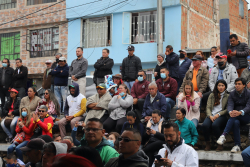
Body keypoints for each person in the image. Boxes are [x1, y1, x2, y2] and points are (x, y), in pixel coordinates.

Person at [217, 78, 250, 153]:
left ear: (244, 85)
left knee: (234, 117)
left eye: (239, 84)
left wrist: (240, 112)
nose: (237, 86)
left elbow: (248, 107)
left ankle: (223, 135)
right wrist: (230, 112)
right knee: (235, 122)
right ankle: (237, 145)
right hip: (235, 116)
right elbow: (230, 105)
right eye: (236, 84)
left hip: (246, 116)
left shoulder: (248, 93)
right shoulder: (232, 93)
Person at [202, 80, 229, 151]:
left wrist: (218, 114)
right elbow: (208, 107)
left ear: (225, 87)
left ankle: (219, 144)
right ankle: (208, 143)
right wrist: (210, 115)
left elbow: (227, 109)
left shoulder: (228, 96)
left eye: (222, 85)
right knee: (205, 125)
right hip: (212, 114)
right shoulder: (212, 95)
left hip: (222, 115)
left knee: (215, 125)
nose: (220, 87)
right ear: (216, 86)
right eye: (219, 85)